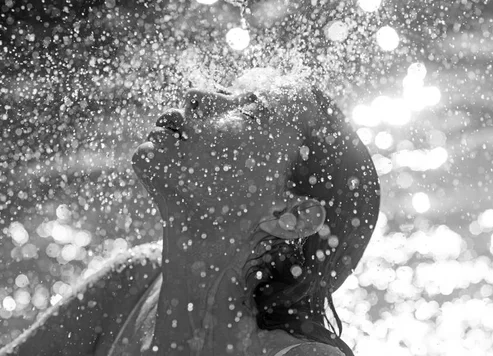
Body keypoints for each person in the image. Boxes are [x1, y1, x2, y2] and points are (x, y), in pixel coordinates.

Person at [0, 68, 380, 356]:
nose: (197, 95)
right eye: (228, 90)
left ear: (290, 215)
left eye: (250, 111)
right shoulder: (130, 281)